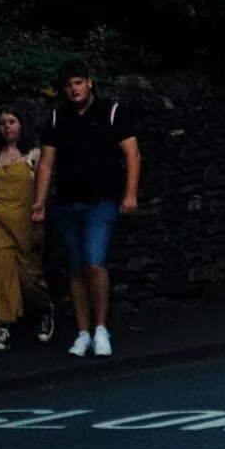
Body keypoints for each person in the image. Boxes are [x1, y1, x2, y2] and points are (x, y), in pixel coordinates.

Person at [38, 66, 139, 358]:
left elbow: (132, 153)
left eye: (79, 83)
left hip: (101, 201)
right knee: (76, 267)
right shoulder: (58, 118)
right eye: (69, 85)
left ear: (89, 83)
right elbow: (45, 162)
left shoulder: (110, 112)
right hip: (67, 203)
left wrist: (130, 195)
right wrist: (39, 201)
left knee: (94, 262)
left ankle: (101, 328)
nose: (74, 89)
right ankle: (83, 333)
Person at [0, 106, 45, 349]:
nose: (7, 127)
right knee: (1, 273)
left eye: (12, 121)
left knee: (28, 277)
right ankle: (3, 327)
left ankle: (44, 309)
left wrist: (39, 224)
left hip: (24, 223)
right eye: (3, 123)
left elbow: (42, 193)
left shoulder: (34, 155)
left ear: (21, 124)